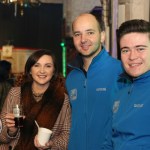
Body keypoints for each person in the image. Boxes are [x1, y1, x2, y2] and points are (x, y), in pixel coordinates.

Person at [65, 13, 125, 150]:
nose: (83, 39)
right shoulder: (71, 78)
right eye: (77, 34)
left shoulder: (121, 71)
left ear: (102, 36)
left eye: (90, 32)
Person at [0, 49, 71, 150]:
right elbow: (2, 137)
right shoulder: (15, 94)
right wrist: (11, 131)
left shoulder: (63, 99)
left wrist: (51, 144)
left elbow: (66, 135)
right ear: (30, 70)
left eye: (48, 66)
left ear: (54, 70)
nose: (42, 71)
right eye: (36, 65)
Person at [107, 19, 150, 150]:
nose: (132, 56)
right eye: (125, 50)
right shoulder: (121, 91)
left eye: (140, 49)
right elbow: (111, 139)